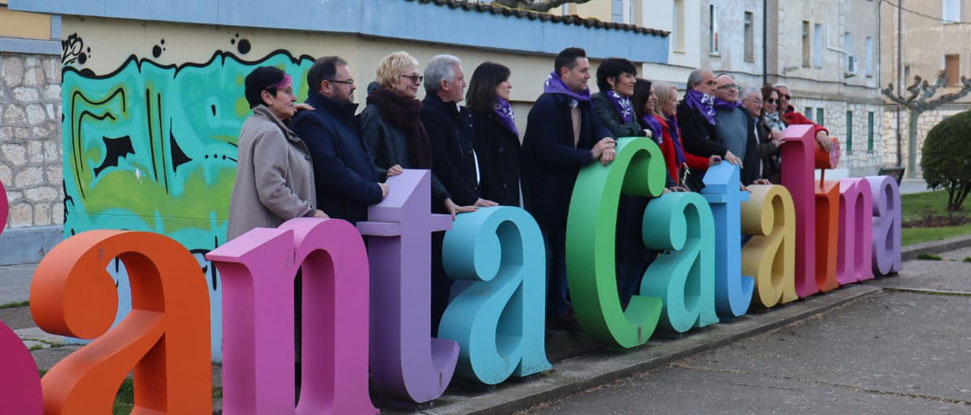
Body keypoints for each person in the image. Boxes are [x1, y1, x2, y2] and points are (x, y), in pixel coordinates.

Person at [521, 47, 616, 331]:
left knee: (565, 253)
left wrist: (607, 142)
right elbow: (547, 151)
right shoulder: (547, 105)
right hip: (545, 196)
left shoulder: (583, 102)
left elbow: (600, 129)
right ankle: (546, 315)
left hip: (572, 194)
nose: (589, 76)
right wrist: (589, 154)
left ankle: (561, 308)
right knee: (547, 255)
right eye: (583, 70)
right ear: (565, 72)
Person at [419, 54, 497, 334]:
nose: (465, 84)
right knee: (439, 278)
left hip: (466, 206)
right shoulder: (429, 115)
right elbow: (441, 162)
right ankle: (432, 336)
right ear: (444, 84)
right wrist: (468, 196)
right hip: (447, 209)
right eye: (461, 79)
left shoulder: (460, 114)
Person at [360, 51, 476, 218]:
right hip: (386, 206)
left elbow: (423, 168)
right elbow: (363, 162)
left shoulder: (413, 114)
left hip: (414, 203)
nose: (417, 83)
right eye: (412, 78)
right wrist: (384, 173)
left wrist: (446, 199)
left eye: (419, 78)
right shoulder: (373, 114)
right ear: (393, 79)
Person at [290, 56, 402, 225]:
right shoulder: (310, 120)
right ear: (326, 86)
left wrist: (383, 174)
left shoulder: (341, 116)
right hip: (337, 223)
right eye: (348, 82)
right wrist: (373, 190)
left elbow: (354, 162)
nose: (354, 87)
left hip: (355, 218)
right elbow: (331, 172)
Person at [227, 66, 326, 241]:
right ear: (267, 97)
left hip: (251, 237)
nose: (294, 98)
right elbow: (272, 191)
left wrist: (288, 115)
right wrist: (309, 213)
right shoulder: (271, 133)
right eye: (287, 92)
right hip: (268, 241)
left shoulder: (254, 124)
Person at [639, 80, 720, 187]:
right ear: (662, 101)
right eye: (673, 100)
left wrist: (706, 162)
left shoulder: (672, 126)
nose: (677, 103)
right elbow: (658, 162)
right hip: (664, 187)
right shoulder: (656, 126)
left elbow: (681, 158)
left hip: (673, 183)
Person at [467, 61, 522, 207]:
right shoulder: (473, 119)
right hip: (489, 202)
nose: (509, 85)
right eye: (504, 80)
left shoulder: (505, 117)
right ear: (490, 83)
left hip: (510, 197)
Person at [676, 69, 744, 167]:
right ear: (695, 86)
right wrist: (723, 152)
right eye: (709, 84)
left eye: (715, 84)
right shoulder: (683, 109)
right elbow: (693, 141)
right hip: (695, 171)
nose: (714, 88)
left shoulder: (709, 109)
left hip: (713, 170)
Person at [711, 74, 761, 185]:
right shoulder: (710, 113)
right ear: (715, 91)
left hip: (742, 178)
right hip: (718, 178)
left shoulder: (743, 113)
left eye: (734, 86)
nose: (733, 90)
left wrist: (755, 177)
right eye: (726, 87)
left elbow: (751, 150)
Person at [591, 58, 651, 139]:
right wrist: (639, 131)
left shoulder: (628, 103)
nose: (634, 81)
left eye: (634, 76)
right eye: (628, 76)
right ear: (611, 80)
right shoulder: (598, 100)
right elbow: (615, 131)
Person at [741, 87, 783, 185]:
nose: (760, 106)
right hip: (745, 181)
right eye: (756, 102)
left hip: (760, 180)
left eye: (761, 102)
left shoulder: (759, 123)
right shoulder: (742, 123)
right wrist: (773, 145)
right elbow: (752, 152)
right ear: (743, 102)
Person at [773, 83, 833, 151]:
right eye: (780, 95)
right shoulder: (763, 116)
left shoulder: (796, 117)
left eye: (787, 97)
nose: (784, 99)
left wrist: (820, 134)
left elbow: (813, 127)